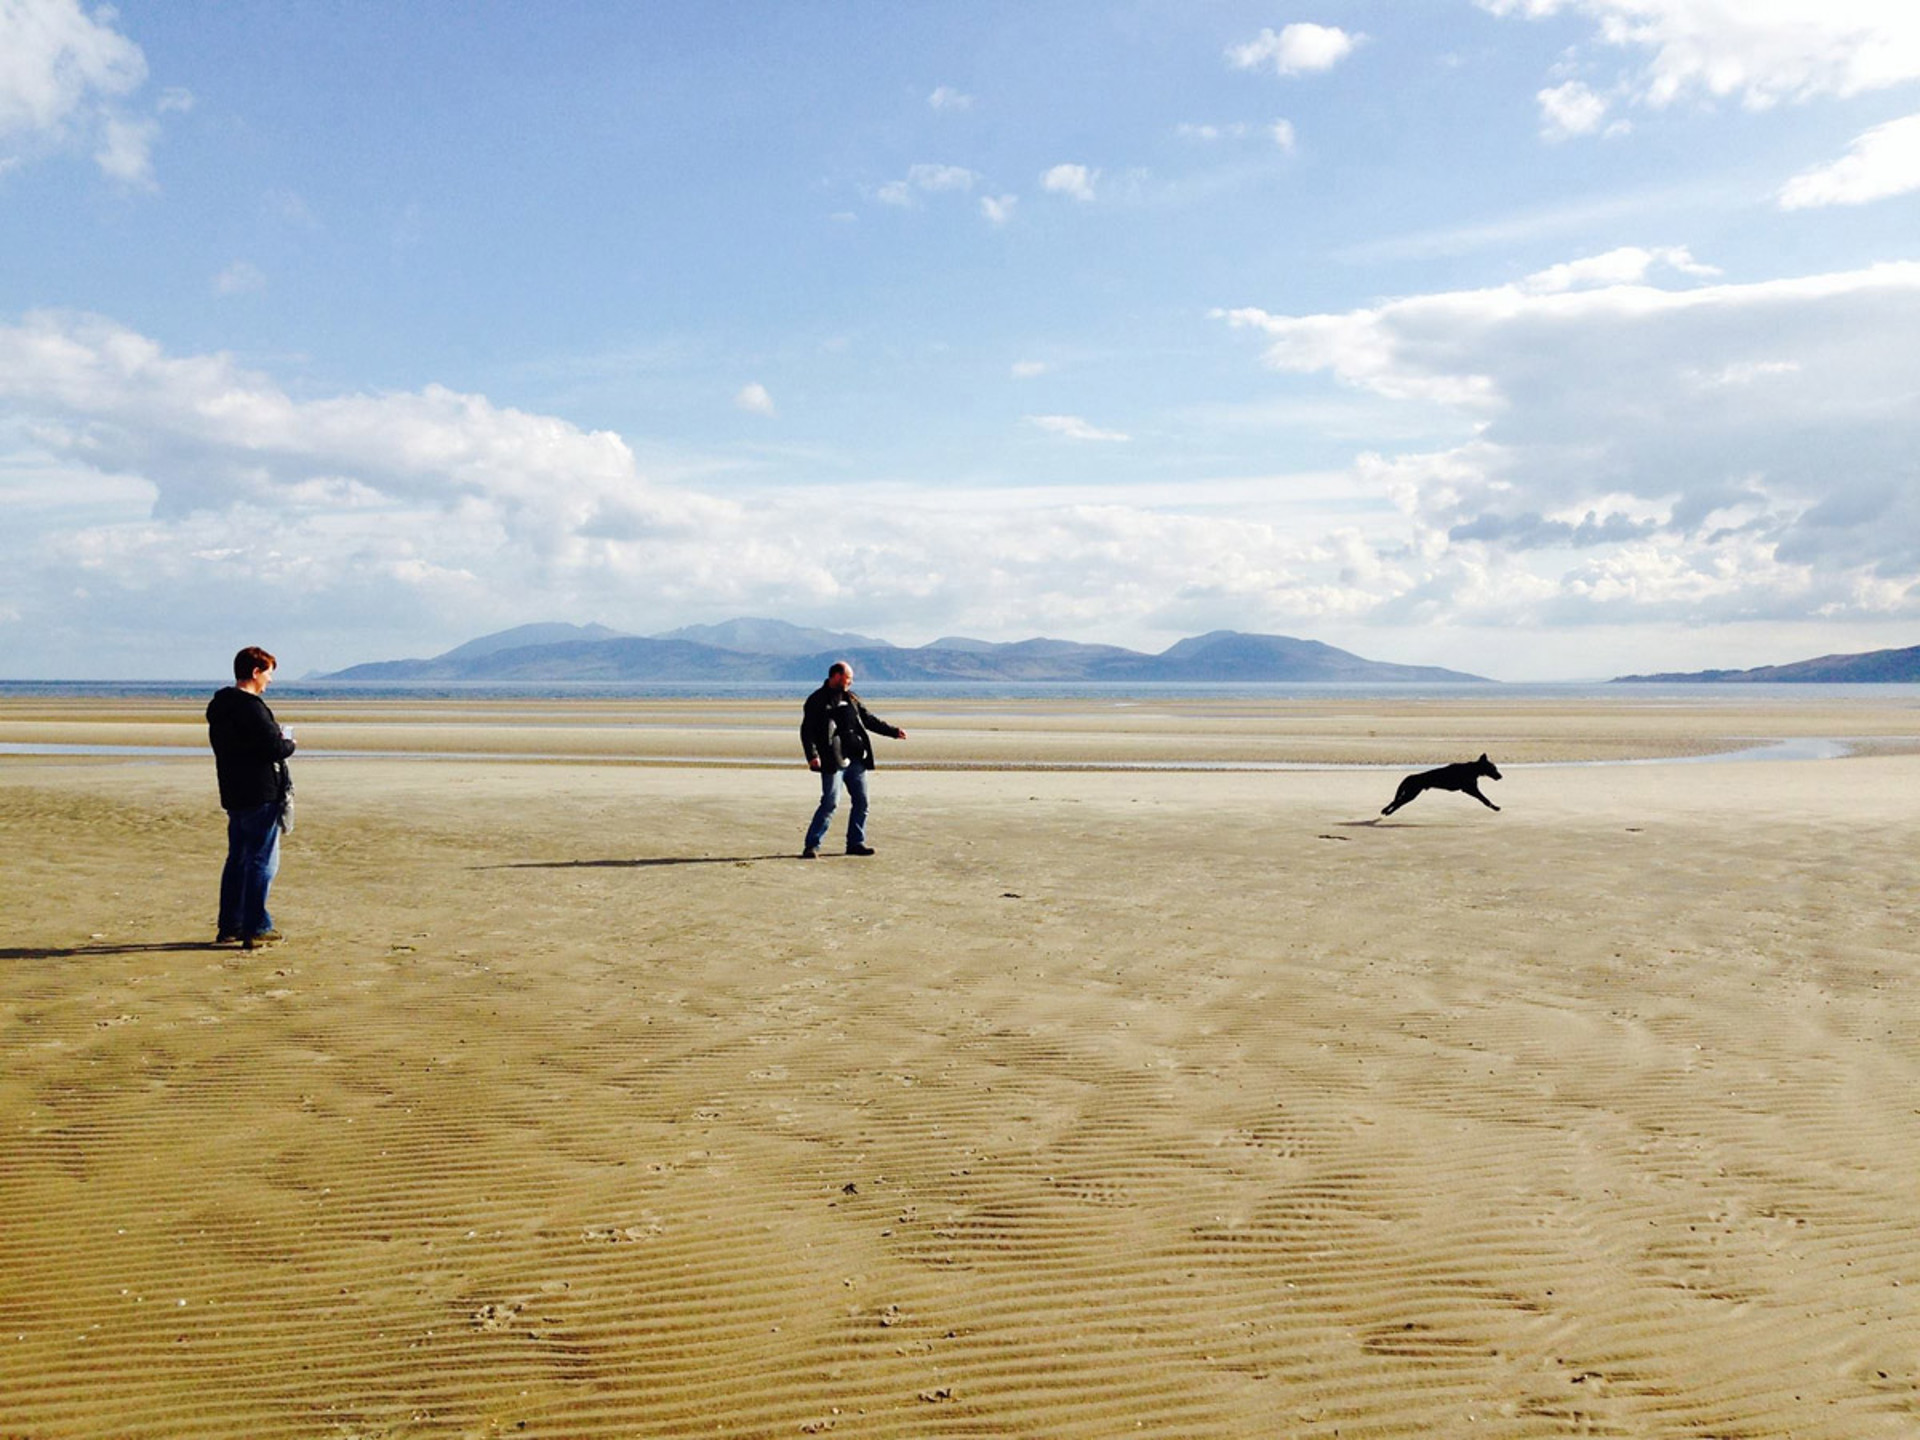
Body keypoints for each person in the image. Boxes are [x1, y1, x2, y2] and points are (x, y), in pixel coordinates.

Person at [206, 645, 297, 949]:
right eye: (268, 673)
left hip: (234, 791)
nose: (270, 680)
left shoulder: (220, 707)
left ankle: (231, 924)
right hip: (259, 793)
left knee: (239, 859)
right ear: (255, 672)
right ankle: (255, 925)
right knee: (261, 861)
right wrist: (288, 743)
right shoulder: (250, 707)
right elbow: (272, 748)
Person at [799, 660, 905, 858]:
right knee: (830, 802)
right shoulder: (816, 700)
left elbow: (868, 720)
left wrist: (893, 731)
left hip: (856, 759)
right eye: (849, 678)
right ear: (837, 676)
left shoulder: (852, 699)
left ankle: (856, 842)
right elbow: (807, 731)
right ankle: (812, 845)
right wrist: (812, 756)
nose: (850, 682)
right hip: (832, 760)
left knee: (862, 801)